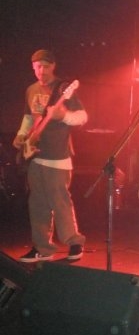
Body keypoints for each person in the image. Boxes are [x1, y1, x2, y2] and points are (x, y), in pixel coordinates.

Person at [13, 49, 88, 262]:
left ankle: (74, 243)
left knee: (60, 202)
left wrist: (63, 115)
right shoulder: (31, 90)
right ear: (33, 67)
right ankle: (42, 248)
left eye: (46, 66)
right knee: (37, 204)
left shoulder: (63, 88)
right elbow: (29, 117)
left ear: (53, 66)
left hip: (57, 156)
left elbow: (82, 117)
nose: (42, 71)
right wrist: (21, 135)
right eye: (38, 67)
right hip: (35, 156)